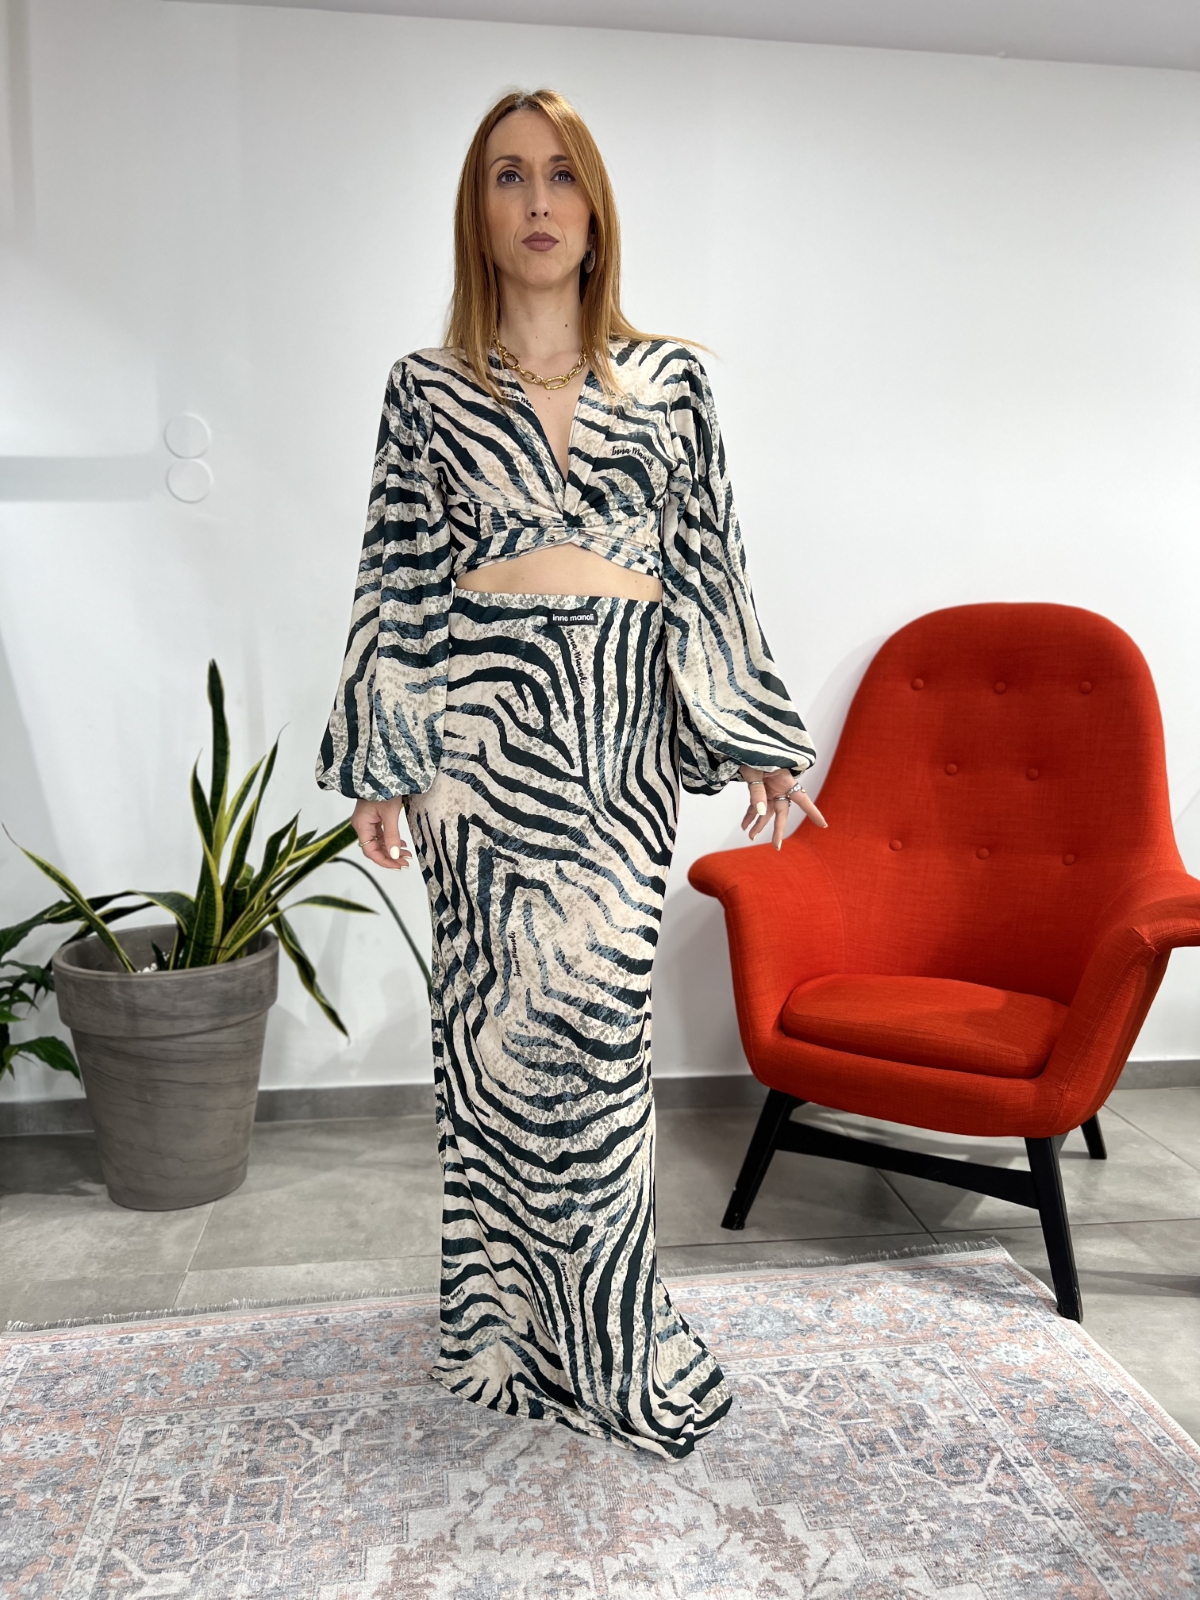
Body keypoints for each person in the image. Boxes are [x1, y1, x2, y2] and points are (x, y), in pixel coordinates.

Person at [317, 87, 822, 1460]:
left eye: (560, 175)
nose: (536, 201)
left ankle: (611, 1335)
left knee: (595, 1056)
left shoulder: (672, 381)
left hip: (614, 744)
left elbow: (709, 562)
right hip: (477, 754)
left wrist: (757, 732)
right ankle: (500, 1332)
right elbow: (397, 577)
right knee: (492, 1052)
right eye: (507, 177)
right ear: (476, 212)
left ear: (595, 209)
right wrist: (382, 762)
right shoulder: (425, 388)